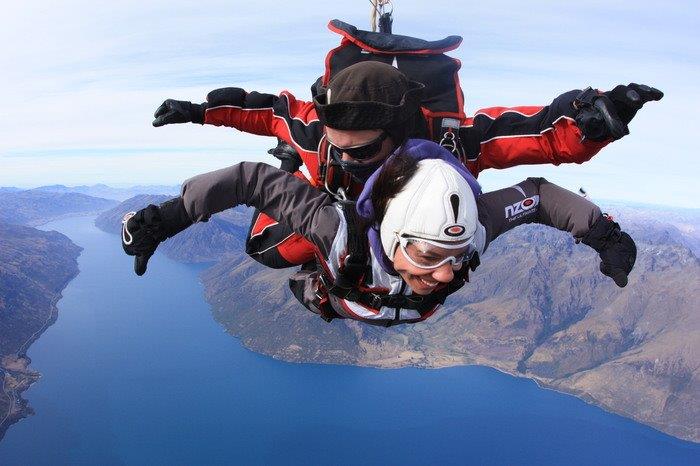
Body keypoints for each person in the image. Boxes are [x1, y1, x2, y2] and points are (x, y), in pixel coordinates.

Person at [150, 61, 661, 270]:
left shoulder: (453, 145)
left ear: (400, 136)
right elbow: (264, 110)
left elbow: (539, 138)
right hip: (329, 217)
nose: (346, 159)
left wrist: (595, 119)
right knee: (265, 247)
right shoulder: (317, 138)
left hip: (412, 233)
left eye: (363, 151)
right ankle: (321, 270)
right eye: (337, 146)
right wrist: (199, 112)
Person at [122, 139, 636, 326]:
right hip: (332, 274)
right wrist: (164, 220)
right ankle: (305, 164)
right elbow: (247, 181)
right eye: (432, 254)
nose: (445, 272)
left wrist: (602, 233)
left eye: (455, 257)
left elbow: (539, 197)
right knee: (264, 248)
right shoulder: (335, 228)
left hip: (358, 295)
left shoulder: (475, 229)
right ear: (394, 239)